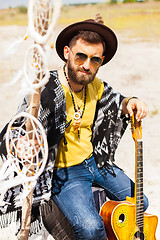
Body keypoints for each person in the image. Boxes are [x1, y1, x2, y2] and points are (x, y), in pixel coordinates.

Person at [0, 15, 149, 240]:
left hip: (96, 162)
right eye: (81, 56)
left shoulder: (95, 85)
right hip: (65, 172)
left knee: (141, 202)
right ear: (67, 53)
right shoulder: (45, 89)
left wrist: (132, 102)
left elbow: (117, 102)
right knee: (90, 229)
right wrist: (20, 142)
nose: (87, 65)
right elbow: (20, 124)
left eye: (95, 59)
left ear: (102, 60)